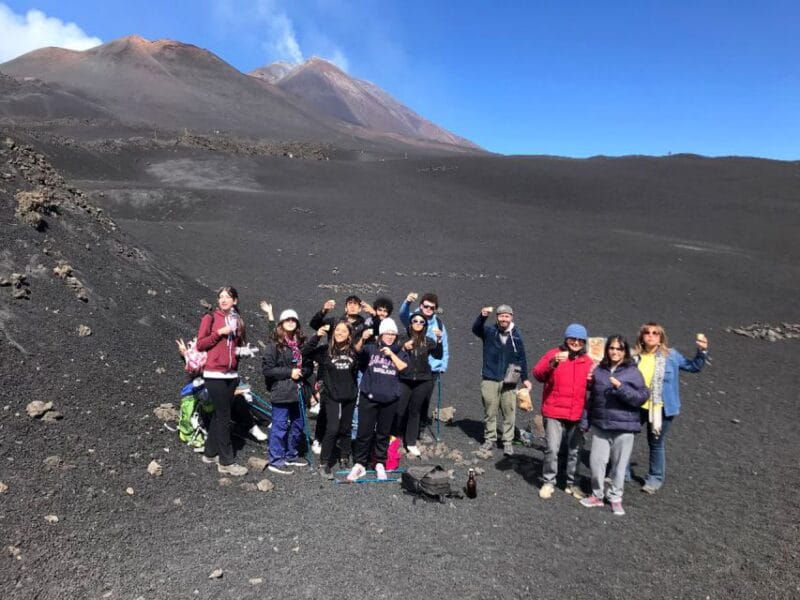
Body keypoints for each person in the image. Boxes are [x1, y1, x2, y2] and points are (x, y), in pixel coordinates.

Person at [633, 323, 709, 493]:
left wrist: (702, 351)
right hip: (637, 405)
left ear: (661, 337)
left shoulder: (671, 356)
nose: (651, 336)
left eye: (655, 333)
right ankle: (621, 473)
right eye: (647, 333)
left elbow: (693, 367)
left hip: (661, 408)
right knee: (625, 437)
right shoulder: (634, 357)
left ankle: (654, 478)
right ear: (642, 336)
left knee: (656, 443)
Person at [579, 335, 649, 516]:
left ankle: (616, 498)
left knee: (619, 465)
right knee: (597, 462)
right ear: (607, 350)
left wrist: (621, 388)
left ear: (624, 351)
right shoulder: (599, 370)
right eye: (612, 348)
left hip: (624, 427)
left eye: (619, 349)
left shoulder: (632, 372)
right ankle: (597, 495)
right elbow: (592, 398)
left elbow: (642, 397)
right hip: (601, 425)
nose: (615, 352)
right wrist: (585, 421)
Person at [194, 287, 254, 477]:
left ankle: (210, 453)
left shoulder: (238, 320)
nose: (223, 299)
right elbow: (200, 344)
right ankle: (226, 461)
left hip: (231, 375)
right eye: (220, 297)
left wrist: (236, 363)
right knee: (224, 415)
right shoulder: (210, 318)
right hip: (214, 374)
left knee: (221, 415)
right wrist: (219, 332)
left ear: (235, 300)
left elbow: (237, 347)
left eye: (227, 296)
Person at [532, 323, 594, 499]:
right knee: (552, 448)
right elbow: (537, 374)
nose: (575, 342)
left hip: (576, 412)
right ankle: (548, 481)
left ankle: (572, 483)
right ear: (566, 339)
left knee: (575, 450)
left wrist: (592, 380)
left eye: (580, 340)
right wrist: (552, 364)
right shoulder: (554, 355)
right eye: (572, 339)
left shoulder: (587, 361)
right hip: (554, 410)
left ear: (584, 342)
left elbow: (591, 386)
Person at [347, 318, 408, 481]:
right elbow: (356, 350)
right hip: (369, 396)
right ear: (381, 334)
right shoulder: (372, 348)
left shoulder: (399, 350)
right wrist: (363, 337)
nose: (390, 336)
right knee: (364, 431)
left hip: (390, 398)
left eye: (393, 334)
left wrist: (391, 354)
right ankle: (360, 463)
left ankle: (380, 462)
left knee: (383, 432)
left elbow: (403, 367)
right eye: (387, 333)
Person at [472, 305, 532, 457]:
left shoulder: (516, 335)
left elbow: (522, 358)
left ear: (511, 317)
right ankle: (490, 438)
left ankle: (507, 442)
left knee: (509, 411)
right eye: (501, 316)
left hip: (510, 379)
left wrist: (525, 378)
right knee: (490, 410)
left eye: (507, 316)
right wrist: (482, 316)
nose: (504, 319)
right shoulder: (489, 331)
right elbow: (476, 329)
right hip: (490, 378)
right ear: (497, 317)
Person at [302, 321, 359, 479]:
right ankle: (324, 463)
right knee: (333, 428)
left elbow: (358, 369)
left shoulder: (354, 352)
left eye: (344, 331)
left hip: (350, 395)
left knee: (346, 428)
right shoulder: (325, 351)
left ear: (349, 335)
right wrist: (317, 336)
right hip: (331, 396)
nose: (340, 333)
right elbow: (304, 352)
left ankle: (344, 457)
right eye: (337, 330)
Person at [262, 309, 314, 475]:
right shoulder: (274, 344)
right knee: (280, 425)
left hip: (299, 390)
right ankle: (276, 460)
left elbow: (309, 366)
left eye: (294, 320)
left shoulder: (300, 344)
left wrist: (303, 372)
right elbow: (268, 370)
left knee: (298, 424)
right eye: (287, 320)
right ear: (281, 323)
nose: (291, 322)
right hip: (282, 390)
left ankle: (291, 455)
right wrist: (289, 372)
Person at [399, 292, 449, 441]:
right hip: (410, 367)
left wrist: (443, 365)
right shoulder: (413, 318)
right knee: (405, 400)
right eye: (425, 306)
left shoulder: (439, 324)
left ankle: (418, 429)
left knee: (423, 400)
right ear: (420, 306)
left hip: (431, 369)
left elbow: (443, 346)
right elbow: (402, 314)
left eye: (431, 307)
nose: (428, 309)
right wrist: (407, 302)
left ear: (435, 309)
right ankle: (402, 429)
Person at [397, 313, 444, 456]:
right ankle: (395, 437)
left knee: (414, 411)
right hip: (404, 378)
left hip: (423, 380)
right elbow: (395, 352)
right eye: (415, 321)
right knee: (399, 409)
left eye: (421, 322)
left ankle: (410, 442)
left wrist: (440, 340)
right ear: (410, 323)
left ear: (425, 325)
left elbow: (438, 355)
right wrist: (404, 347)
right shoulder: (402, 338)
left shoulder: (428, 340)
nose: (418, 323)